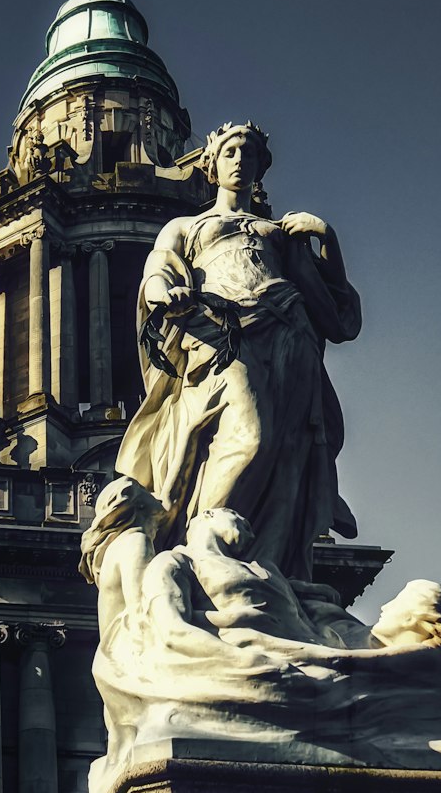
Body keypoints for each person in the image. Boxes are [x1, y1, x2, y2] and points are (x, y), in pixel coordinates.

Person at [116, 121, 361, 581]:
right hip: (224, 336)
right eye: (230, 153)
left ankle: (267, 565)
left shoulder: (278, 232)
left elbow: (337, 310)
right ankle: (205, 547)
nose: (240, 162)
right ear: (212, 164)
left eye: (248, 155)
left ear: (260, 167)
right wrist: (159, 291)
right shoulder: (188, 225)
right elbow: (159, 264)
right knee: (252, 435)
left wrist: (326, 237)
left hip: (290, 337)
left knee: (289, 455)